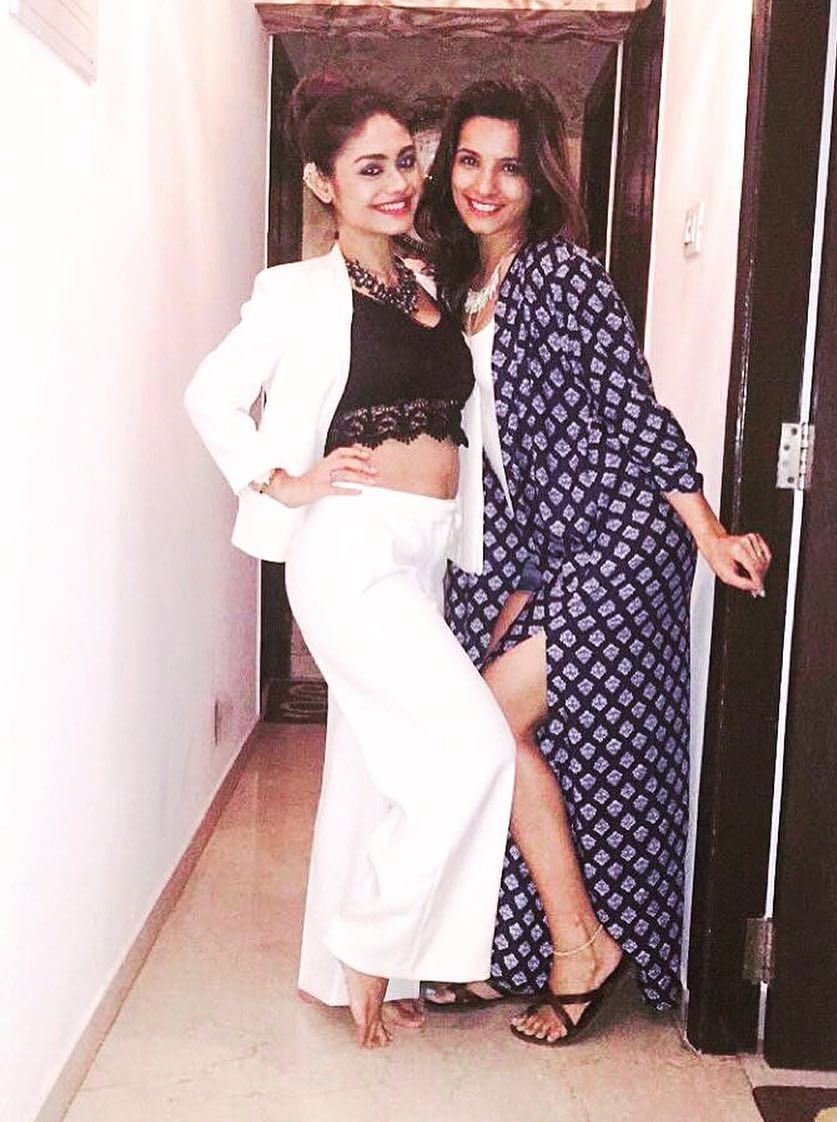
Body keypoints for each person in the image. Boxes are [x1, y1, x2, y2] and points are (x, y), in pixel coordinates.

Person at [416, 79, 772, 1046]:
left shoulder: (562, 274)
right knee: (531, 742)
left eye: (510, 168)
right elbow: (500, 456)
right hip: (554, 549)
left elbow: (633, 407)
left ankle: (582, 949)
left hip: (620, 538)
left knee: (490, 721)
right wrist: (511, 581)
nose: (486, 185)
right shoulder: (463, 290)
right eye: (470, 161)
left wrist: (706, 531)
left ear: (539, 181)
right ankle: (533, 950)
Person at [183, 75, 516, 1049]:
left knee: (376, 766)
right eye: (369, 168)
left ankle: (358, 972)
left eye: (404, 162)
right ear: (322, 184)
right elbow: (210, 395)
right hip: (348, 550)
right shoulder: (295, 293)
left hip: (423, 555)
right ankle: (372, 943)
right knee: (476, 748)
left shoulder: (430, 284)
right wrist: (281, 480)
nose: (396, 183)